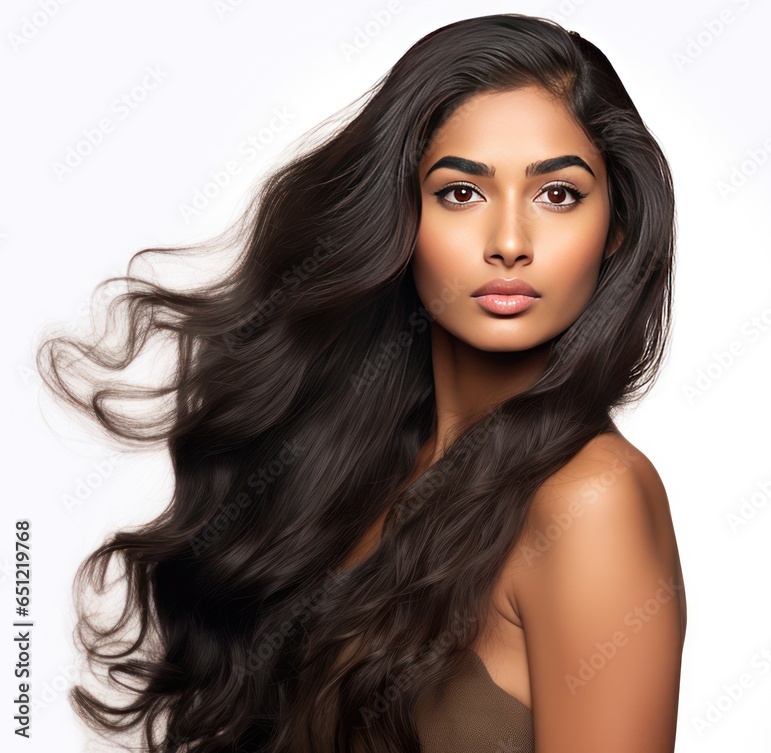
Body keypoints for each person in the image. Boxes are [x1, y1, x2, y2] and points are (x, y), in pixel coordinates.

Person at [37, 13, 685, 753]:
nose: (510, 242)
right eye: (461, 194)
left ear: (619, 229)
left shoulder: (592, 499)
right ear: (401, 215)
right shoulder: (363, 460)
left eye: (559, 195)